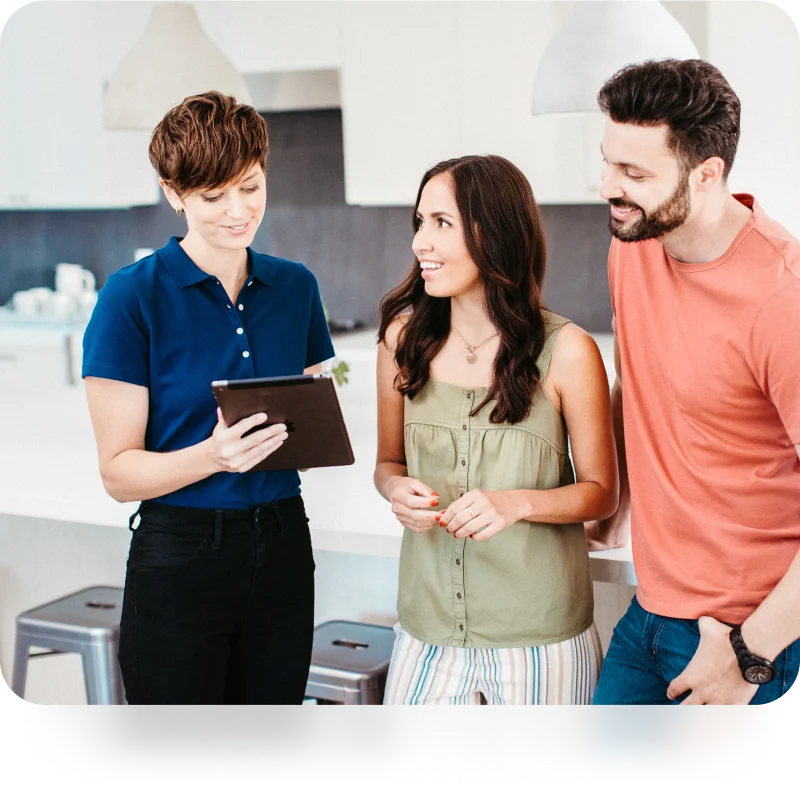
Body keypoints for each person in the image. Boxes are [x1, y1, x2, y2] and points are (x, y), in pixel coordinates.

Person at [81, 91, 335, 704]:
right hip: (180, 555)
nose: (237, 211)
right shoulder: (131, 298)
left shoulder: (295, 286)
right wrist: (213, 457)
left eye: (249, 187)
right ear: (174, 193)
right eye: (212, 196)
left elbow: (301, 417)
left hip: (281, 545)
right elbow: (119, 474)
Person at [587, 59, 800, 705]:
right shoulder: (633, 242)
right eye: (607, 162)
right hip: (650, 612)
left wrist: (747, 654)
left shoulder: (780, 299)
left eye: (634, 173)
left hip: (749, 636)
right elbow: (642, 381)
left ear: (707, 174)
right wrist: (615, 500)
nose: (607, 187)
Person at [373, 154, 619, 705]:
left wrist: (516, 505)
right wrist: (395, 489)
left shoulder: (568, 351)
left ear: (494, 233)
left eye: (441, 224)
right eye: (419, 223)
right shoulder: (402, 341)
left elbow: (602, 493)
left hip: (540, 636)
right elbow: (387, 462)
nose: (420, 243)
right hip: (426, 628)